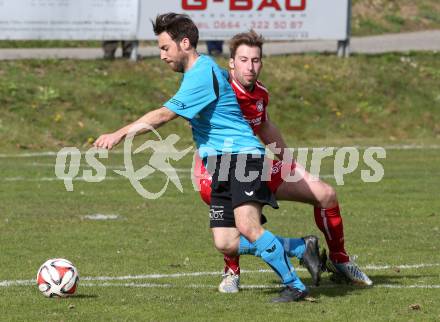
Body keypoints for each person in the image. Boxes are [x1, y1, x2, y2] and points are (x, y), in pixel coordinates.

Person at [94, 13, 322, 303]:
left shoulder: (202, 73)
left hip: (241, 157)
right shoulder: (199, 73)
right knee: (226, 242)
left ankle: (295, 286)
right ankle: (301, 248)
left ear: (184, 43)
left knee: (249, 227)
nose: (162, 55)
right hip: (220, 164)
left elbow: (164, 115)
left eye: (165, 48)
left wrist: (119, 134)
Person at [194, 30, 373, 293]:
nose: (250, 66)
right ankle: (233, 271)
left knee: (326, 194)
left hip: (254, 165)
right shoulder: (218, 89)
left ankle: (339, 261)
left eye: (255, 60)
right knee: (234, 229)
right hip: (215, 172)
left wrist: (291, 163)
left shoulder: (260, 93)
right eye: (243, 60)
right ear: (231, 62)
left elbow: (264, 125)